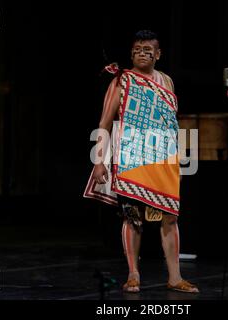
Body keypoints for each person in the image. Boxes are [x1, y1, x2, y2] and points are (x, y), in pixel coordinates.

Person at [84, 30, 199, 293]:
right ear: (131, 53)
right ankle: (133, 274)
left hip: (164, 156)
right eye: (137, 49)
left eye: (148, 49)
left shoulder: (167, 81)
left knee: (170, 217)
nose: (142, 53)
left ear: (158, 54)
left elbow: (169, 120)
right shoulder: (122, 80)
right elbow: (104, 123)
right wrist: (100, 161)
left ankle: (175, 277)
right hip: (132, 155)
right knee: (132, 217)